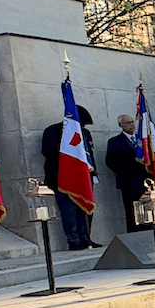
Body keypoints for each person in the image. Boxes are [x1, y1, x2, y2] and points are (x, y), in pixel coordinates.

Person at [41, 105, 99, 250]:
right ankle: (73, 240)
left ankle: (86, 238)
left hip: (84, 177)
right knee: (69, 211)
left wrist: (93, 173)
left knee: (85, 208)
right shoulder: (53, 131)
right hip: (63, 177)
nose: (83, 126)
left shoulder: (85, 133)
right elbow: (47, 152)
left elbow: (89, 155)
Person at [106, 114, 151, 233]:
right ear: (120, 125)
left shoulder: (141, 140)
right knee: (131, 208)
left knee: (146, 207)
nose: (131, 125)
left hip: (143, 180)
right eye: (127, 123)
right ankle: (134, 231)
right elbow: (110, 161)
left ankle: (147, 228)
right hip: (128, 181)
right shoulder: (115, 141)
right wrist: (125, 170)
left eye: (132, 122)